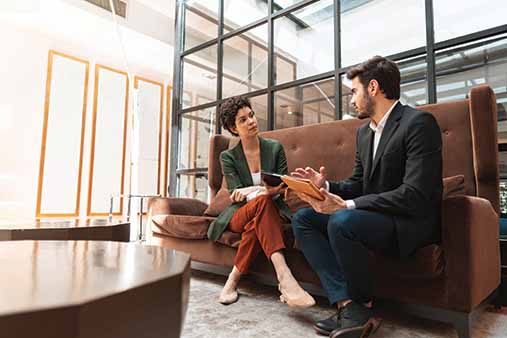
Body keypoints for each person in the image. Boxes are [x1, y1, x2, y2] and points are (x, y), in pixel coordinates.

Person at [291, 56, 442, 338]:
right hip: (372, 218)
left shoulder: (419, 123)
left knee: (341, 221)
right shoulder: (364, 133)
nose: (352, 100)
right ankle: (348, 304)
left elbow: (415, 194)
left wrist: (347, 205)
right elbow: (359, 183)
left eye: (354, 91)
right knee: (304, 219)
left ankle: (363, 303)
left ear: (373, 87)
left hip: (406, 223)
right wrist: (327, 186)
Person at [207, 96, 315, 308]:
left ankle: (233, 280)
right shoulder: (228, 157)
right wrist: (262, 190)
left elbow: (283, 186)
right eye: (243, 120)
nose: (251, 121)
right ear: (233, 128)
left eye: (251, 115)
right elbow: (237, 195)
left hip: (269, 210)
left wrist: (256, 190)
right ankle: (284, 276)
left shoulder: (274, 148)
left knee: (258, 220)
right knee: (262, 204)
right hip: (240, 213)